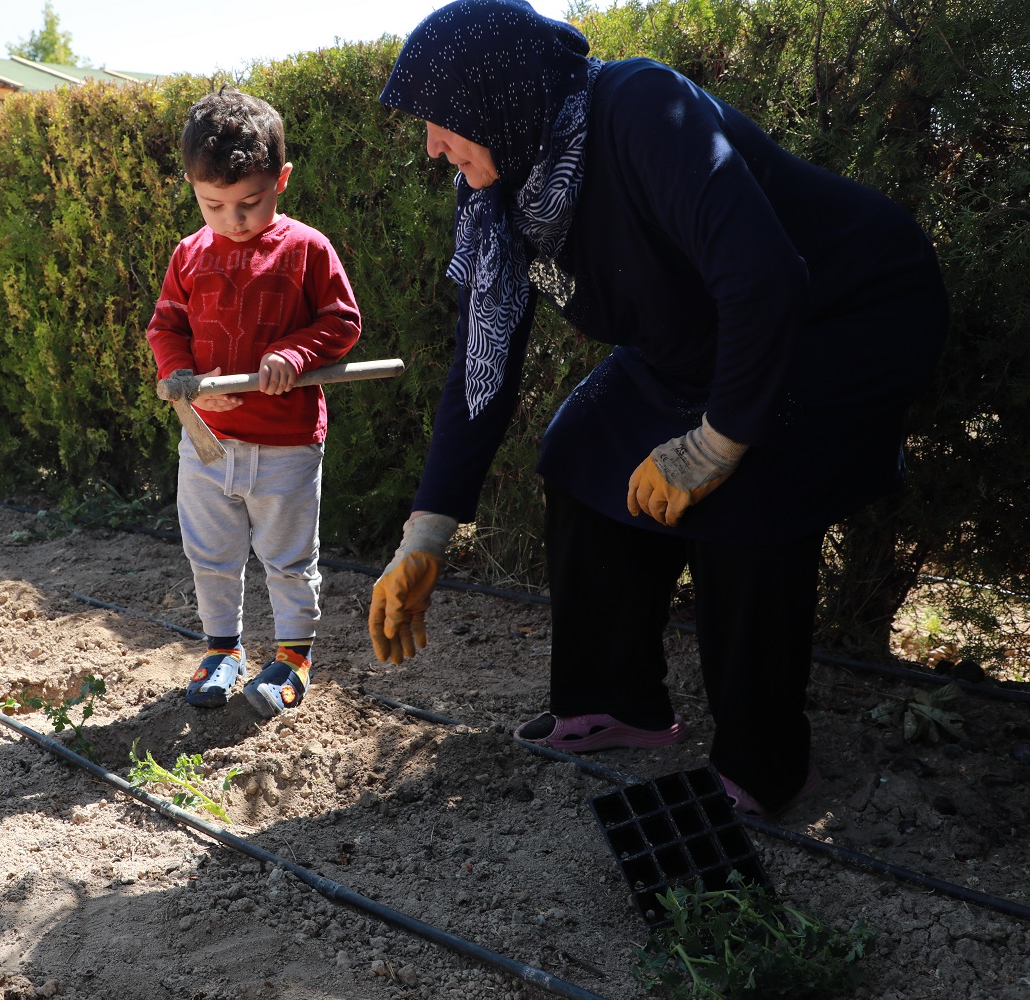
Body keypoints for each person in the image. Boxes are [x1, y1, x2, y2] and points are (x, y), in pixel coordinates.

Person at [368, 0, 947, 817]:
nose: (432, 144)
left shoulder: (639, 109)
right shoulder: (503, 189)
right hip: (705, 339)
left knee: (749, 494)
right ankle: (616, 702)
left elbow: (765, 278)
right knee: (581, 450)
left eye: (444, 119)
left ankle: (767, 764)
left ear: (504, 96)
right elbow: (480, 366)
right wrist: (425, 534)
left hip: (844, 314)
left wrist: (713, 444)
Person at [147, 87, 362, 718]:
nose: (233, 219)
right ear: (192, 188)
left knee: (289, 560)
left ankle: (293, 659)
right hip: (207, 441)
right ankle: (223, 651)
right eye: (213, 204)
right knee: (210, 555)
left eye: (250, 202)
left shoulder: (305, 250)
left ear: (281, 180)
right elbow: (166, 326)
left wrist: (294, 354)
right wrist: (178, 370)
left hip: (287, 443)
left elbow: (341, 321)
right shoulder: (190, 254)